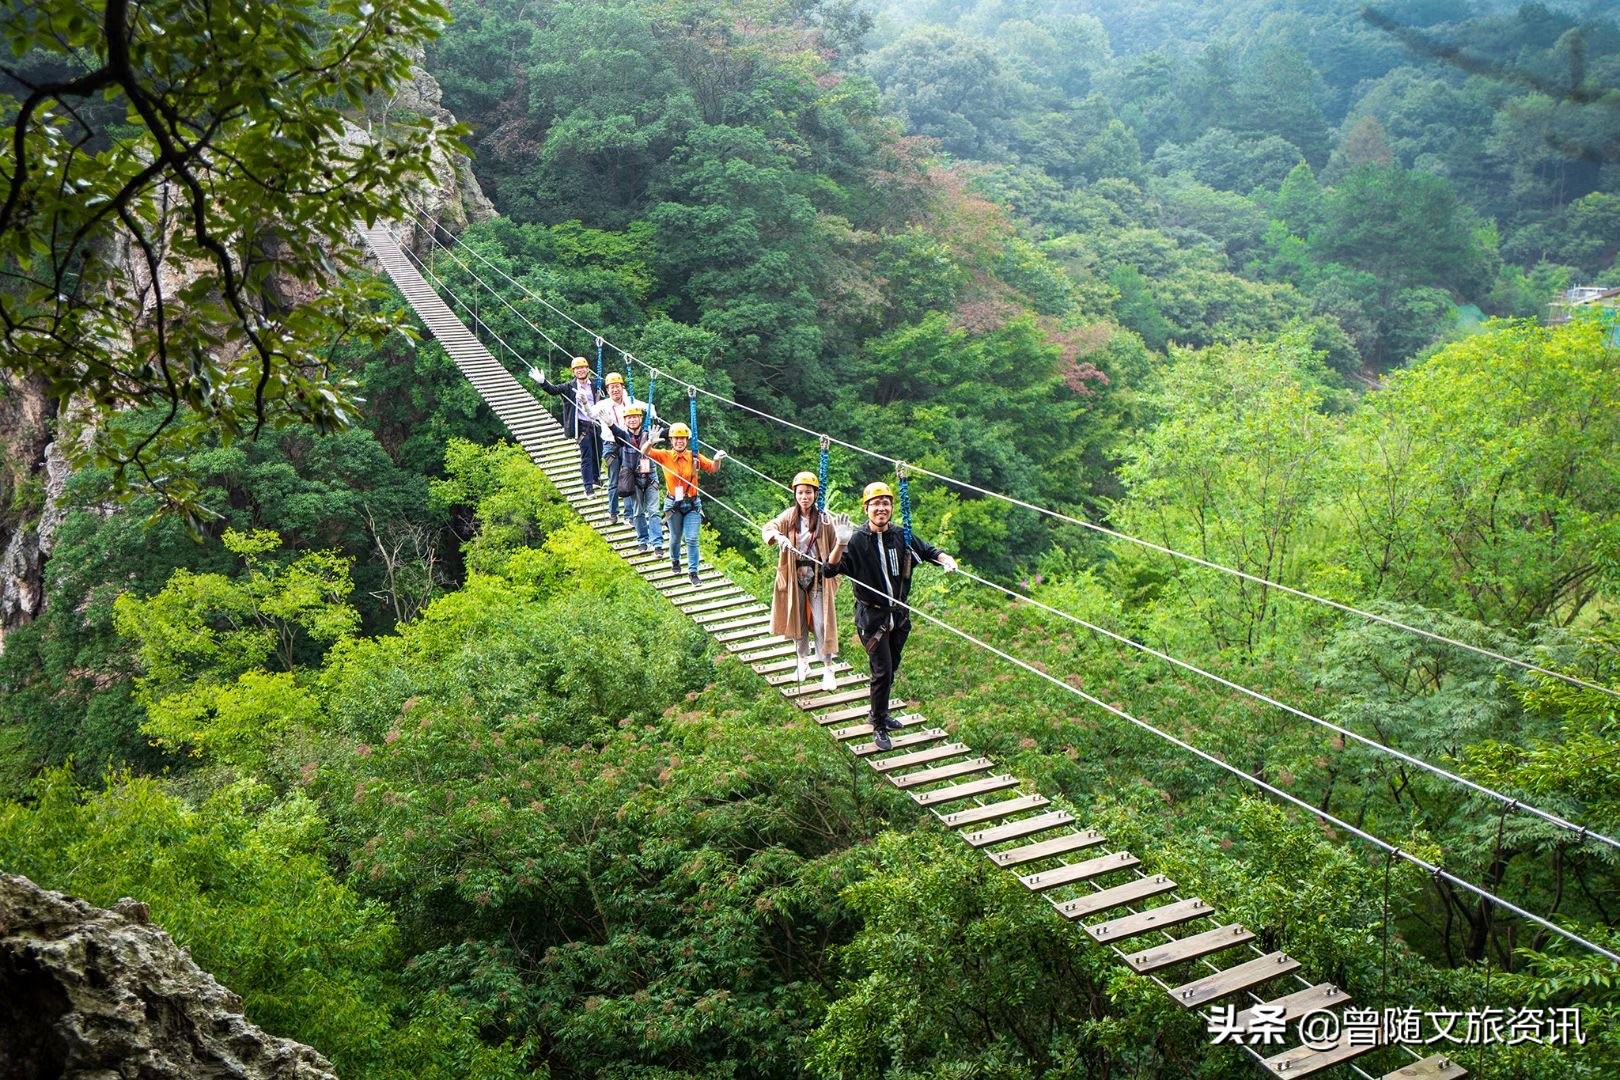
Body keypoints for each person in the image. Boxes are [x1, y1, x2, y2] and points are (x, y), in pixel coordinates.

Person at [823, 481, 957, 750]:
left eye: (885, 504)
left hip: (899, 616)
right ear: (867, 508)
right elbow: (829, 569)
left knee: (891, 667)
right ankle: (879, 726)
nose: (881, 509)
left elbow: (929, 550)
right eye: (876, 504)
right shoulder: (857, 539)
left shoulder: (901, 536)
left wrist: (947, 560)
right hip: (872, 618)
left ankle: (878, 712)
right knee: (882, 671)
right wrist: (840, 543)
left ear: (891, 507)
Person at [761, 472, 845, 692]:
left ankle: (828, 668)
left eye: (808, 492)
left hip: (817, 575)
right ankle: (803, 662)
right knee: (797, 621)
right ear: (795, 494)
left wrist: (845, 539)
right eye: (800, 492)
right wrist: (779, 537)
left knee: (821, 622)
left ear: (815, 494)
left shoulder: (824, 519)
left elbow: (840, 541)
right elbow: (768, 527)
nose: (804, 497)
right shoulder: (790, 516)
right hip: (794, 575)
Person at [644, 423, 724, 586]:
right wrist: (650, 442)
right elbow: (644, 452)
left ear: (686, 440)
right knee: (675, 538)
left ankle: (693, 572)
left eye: (682, 438)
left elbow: (713, 468)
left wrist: (717, 460)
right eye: (676, 438)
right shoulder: (665, 455)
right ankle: (675, 560)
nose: (679, 441)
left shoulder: (694, 457)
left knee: (692, 539)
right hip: (673, 503)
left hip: (692, 503)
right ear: (671, 440)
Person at [528, 356, 602, 495]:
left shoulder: (596, 384)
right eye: (577, 369)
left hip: (597, 424)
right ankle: (588, 487)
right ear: (573, 372)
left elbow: (611, 389)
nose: (580, 371)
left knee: (598, 453)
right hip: (581, 426)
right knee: (586, 455)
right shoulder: (569, 387)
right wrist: (543, 382)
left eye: (583, 368)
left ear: (588, 369)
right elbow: (553, 390)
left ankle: (596, 479)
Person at [604, 404, 666, 554]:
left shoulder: (648, 434)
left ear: (640, 418)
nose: (632, 420)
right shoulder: (624, 437)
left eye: (635, 417)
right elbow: (616, 432)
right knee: (638, 512)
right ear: (625, 421)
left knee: (653, 511)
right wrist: (611, 424)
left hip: (650, 477)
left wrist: (670, 431)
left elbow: (665, 432)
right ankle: (642, 541)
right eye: (629, 418)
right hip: (633, 478)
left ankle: (657, 544)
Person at [589, 372, 647, 523]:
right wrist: (583, 402)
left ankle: (629, 515)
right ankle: (613, 512)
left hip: (627, 444)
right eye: (612, 388)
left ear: (622, 388)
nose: (615, 390)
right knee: (614, 479)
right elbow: (590, 414)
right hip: (611, 445)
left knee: (628, 478)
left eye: (617, 387)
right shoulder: (603, 405)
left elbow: (648, 407)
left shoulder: (630, 402)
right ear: (607, 390)